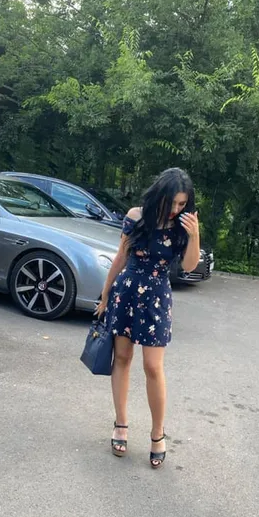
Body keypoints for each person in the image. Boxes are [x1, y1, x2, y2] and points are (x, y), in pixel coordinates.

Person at [95, 168, 201, 469]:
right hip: (127, 290)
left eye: (182, 203)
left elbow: (189, 266)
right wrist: (105, 296)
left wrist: (194, 235)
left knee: (153, 366)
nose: (176, 208)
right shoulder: (136, 216)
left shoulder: (183, 226)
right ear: (160, 195)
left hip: (157, 296)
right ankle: (121, 424)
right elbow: (121, 257)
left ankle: (157, 434)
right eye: (172, 202)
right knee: (122, 358)